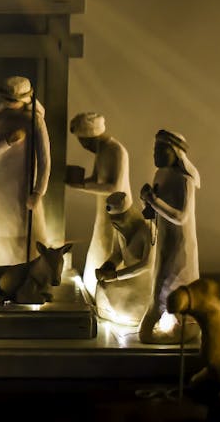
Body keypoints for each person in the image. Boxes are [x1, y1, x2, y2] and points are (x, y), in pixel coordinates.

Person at [138, 129, 201, 344]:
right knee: (159, 283)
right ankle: (165, 326)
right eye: (154, 149)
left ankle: (181, 326)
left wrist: (153, 200)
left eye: (161, 149)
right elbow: (156, 209)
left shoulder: (185, 181)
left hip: (180, 246)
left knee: (168, 287)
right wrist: (147, 204)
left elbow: (181, 216)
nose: (155, 154)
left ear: (176, 153)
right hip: (164, 242)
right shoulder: (160, 175)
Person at [0, 75, 50, 266]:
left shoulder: (34, 120)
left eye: (13, 100)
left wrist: (39, 191)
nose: (9, 103)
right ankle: (6, 270)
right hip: (4, 185)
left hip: (25, 184)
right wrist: (7, 142)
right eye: (6, 99)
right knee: (5, 230)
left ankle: (30, 272)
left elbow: (45, 159)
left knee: (28, 231)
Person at [66, 112, 131, 300]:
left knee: (112, 250)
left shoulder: (116, 150)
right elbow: (96, 180)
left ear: (89, 139)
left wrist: (82, 185)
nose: (83, 146)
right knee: (100, 246)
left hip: (119, 210)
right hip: (104, 209)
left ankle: (109, 294)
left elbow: (115, 187)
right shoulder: (102, 150)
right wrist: (78, 184)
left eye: (82, 141)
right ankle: (95, 289)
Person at [94, 191, 154, 327]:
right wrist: (107, 267)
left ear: (130, 215)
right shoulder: (119, 230)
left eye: (121, 220)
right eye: (114, 222)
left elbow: (148, 265)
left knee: (130, 310)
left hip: (143, 288)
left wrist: (116, 276)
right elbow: (117, 254)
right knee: (102, 286)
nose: (117, 225)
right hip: (125, 282)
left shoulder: (147, 230)